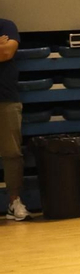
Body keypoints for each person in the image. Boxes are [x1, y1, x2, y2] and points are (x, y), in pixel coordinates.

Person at [0, 15, 24, 221]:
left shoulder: (6, 25)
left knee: (12, 153)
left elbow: (6, 52)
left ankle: (14, 202)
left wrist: (2, 48)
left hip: (6, 99)